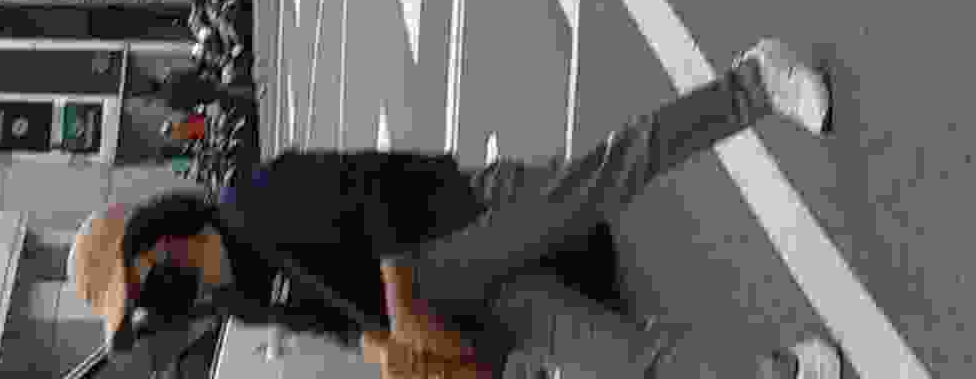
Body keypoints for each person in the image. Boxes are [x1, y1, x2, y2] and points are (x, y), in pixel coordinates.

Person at [73, 42, 844, 379]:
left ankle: (755, 82)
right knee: (623, 362)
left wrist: (401, 306)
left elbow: (378, 190)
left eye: (139, 290)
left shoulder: (259, 201)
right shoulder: (239, 297)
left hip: (455, 229)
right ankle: (776, 370)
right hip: (454, 307)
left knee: (608, 176)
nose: (153, 308)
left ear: (151, 241)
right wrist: (390, 349)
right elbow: (343, 321)